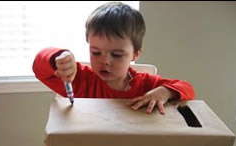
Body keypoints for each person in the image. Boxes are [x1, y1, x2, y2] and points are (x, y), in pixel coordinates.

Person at [33, 2, 195, 114]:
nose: (105, 61)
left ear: (135, 54)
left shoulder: (146, 84)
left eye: (117, 55)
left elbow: (187, 88)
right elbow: (40, 69)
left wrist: (165, 91)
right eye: (96, 52)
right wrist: (59, 57)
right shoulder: (80, 80)